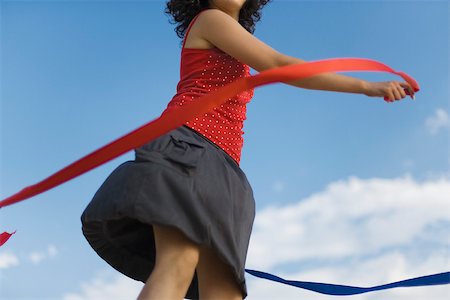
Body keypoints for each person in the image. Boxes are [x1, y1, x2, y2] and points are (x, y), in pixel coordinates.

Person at [80, 1, 417, 300]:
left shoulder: (230, 32)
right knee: (178, 262)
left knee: (224, 291)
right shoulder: (210, 19)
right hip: (189, 145)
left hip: (223, 166)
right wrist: (366, 86)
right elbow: (276, 62)